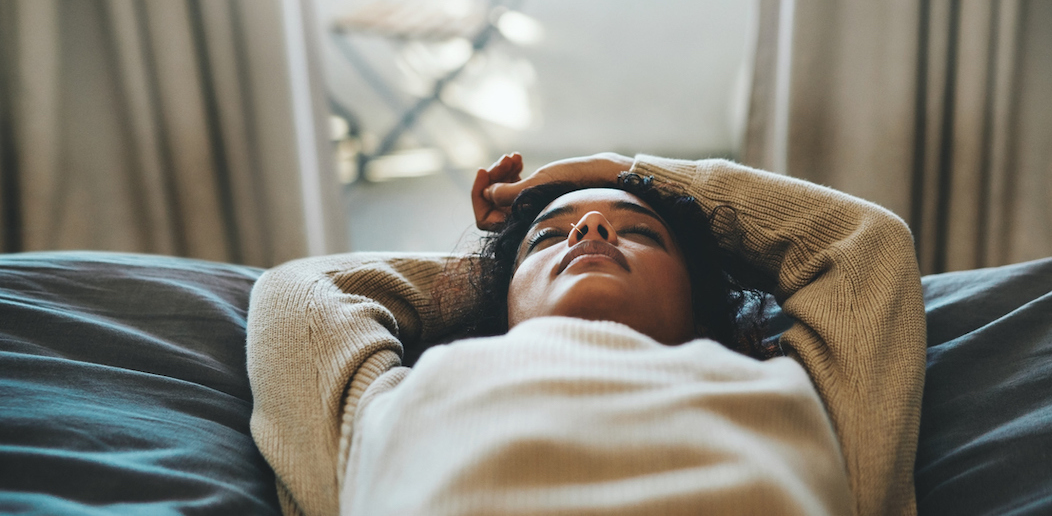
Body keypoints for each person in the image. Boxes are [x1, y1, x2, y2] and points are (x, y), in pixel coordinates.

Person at [247, 153, 925, 516]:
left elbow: (869, 244)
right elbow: (302, 291)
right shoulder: (408, 393)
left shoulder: (782, 382)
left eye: (638, 230)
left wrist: (618, 169)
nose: (592, 228)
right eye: (555, 236)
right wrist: (491, 274)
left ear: (698, 306)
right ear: (501, 302)